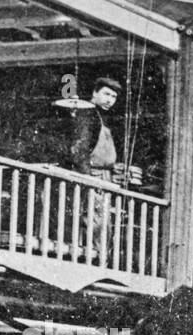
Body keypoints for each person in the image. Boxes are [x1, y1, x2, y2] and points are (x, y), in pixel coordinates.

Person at [67, 76, 121, 263]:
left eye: (113, 97)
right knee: (95, 219)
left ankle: (102, 257)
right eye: (106, 94)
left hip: (106, 176)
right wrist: (88, 177)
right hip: (93, 175)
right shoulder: (87, 114)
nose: (109, 100)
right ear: (94, 93)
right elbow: (79, 150)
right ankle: (97, 259)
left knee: (104, 221)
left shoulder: (103, 118)